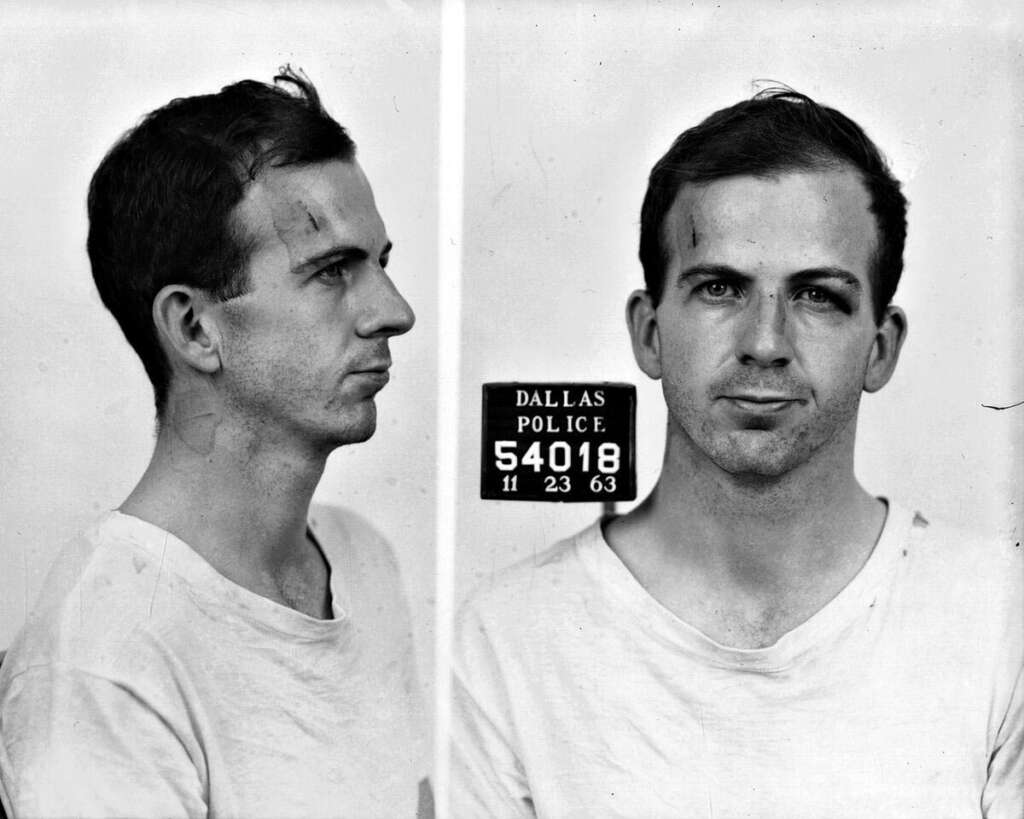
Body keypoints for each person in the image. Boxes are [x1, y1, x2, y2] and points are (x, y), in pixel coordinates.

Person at [452, 89, 1023, 817]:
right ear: (649, 332)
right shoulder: (504, 639)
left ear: (880, 348)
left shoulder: (1002, 620)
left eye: (817, 295)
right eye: (720, 287)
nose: (765, 341)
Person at [0, 69, 428, 818]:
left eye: (381, 264)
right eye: (332, 273)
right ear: (195, 329)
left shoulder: (365, 559)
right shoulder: (102, 662)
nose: (394, 312)